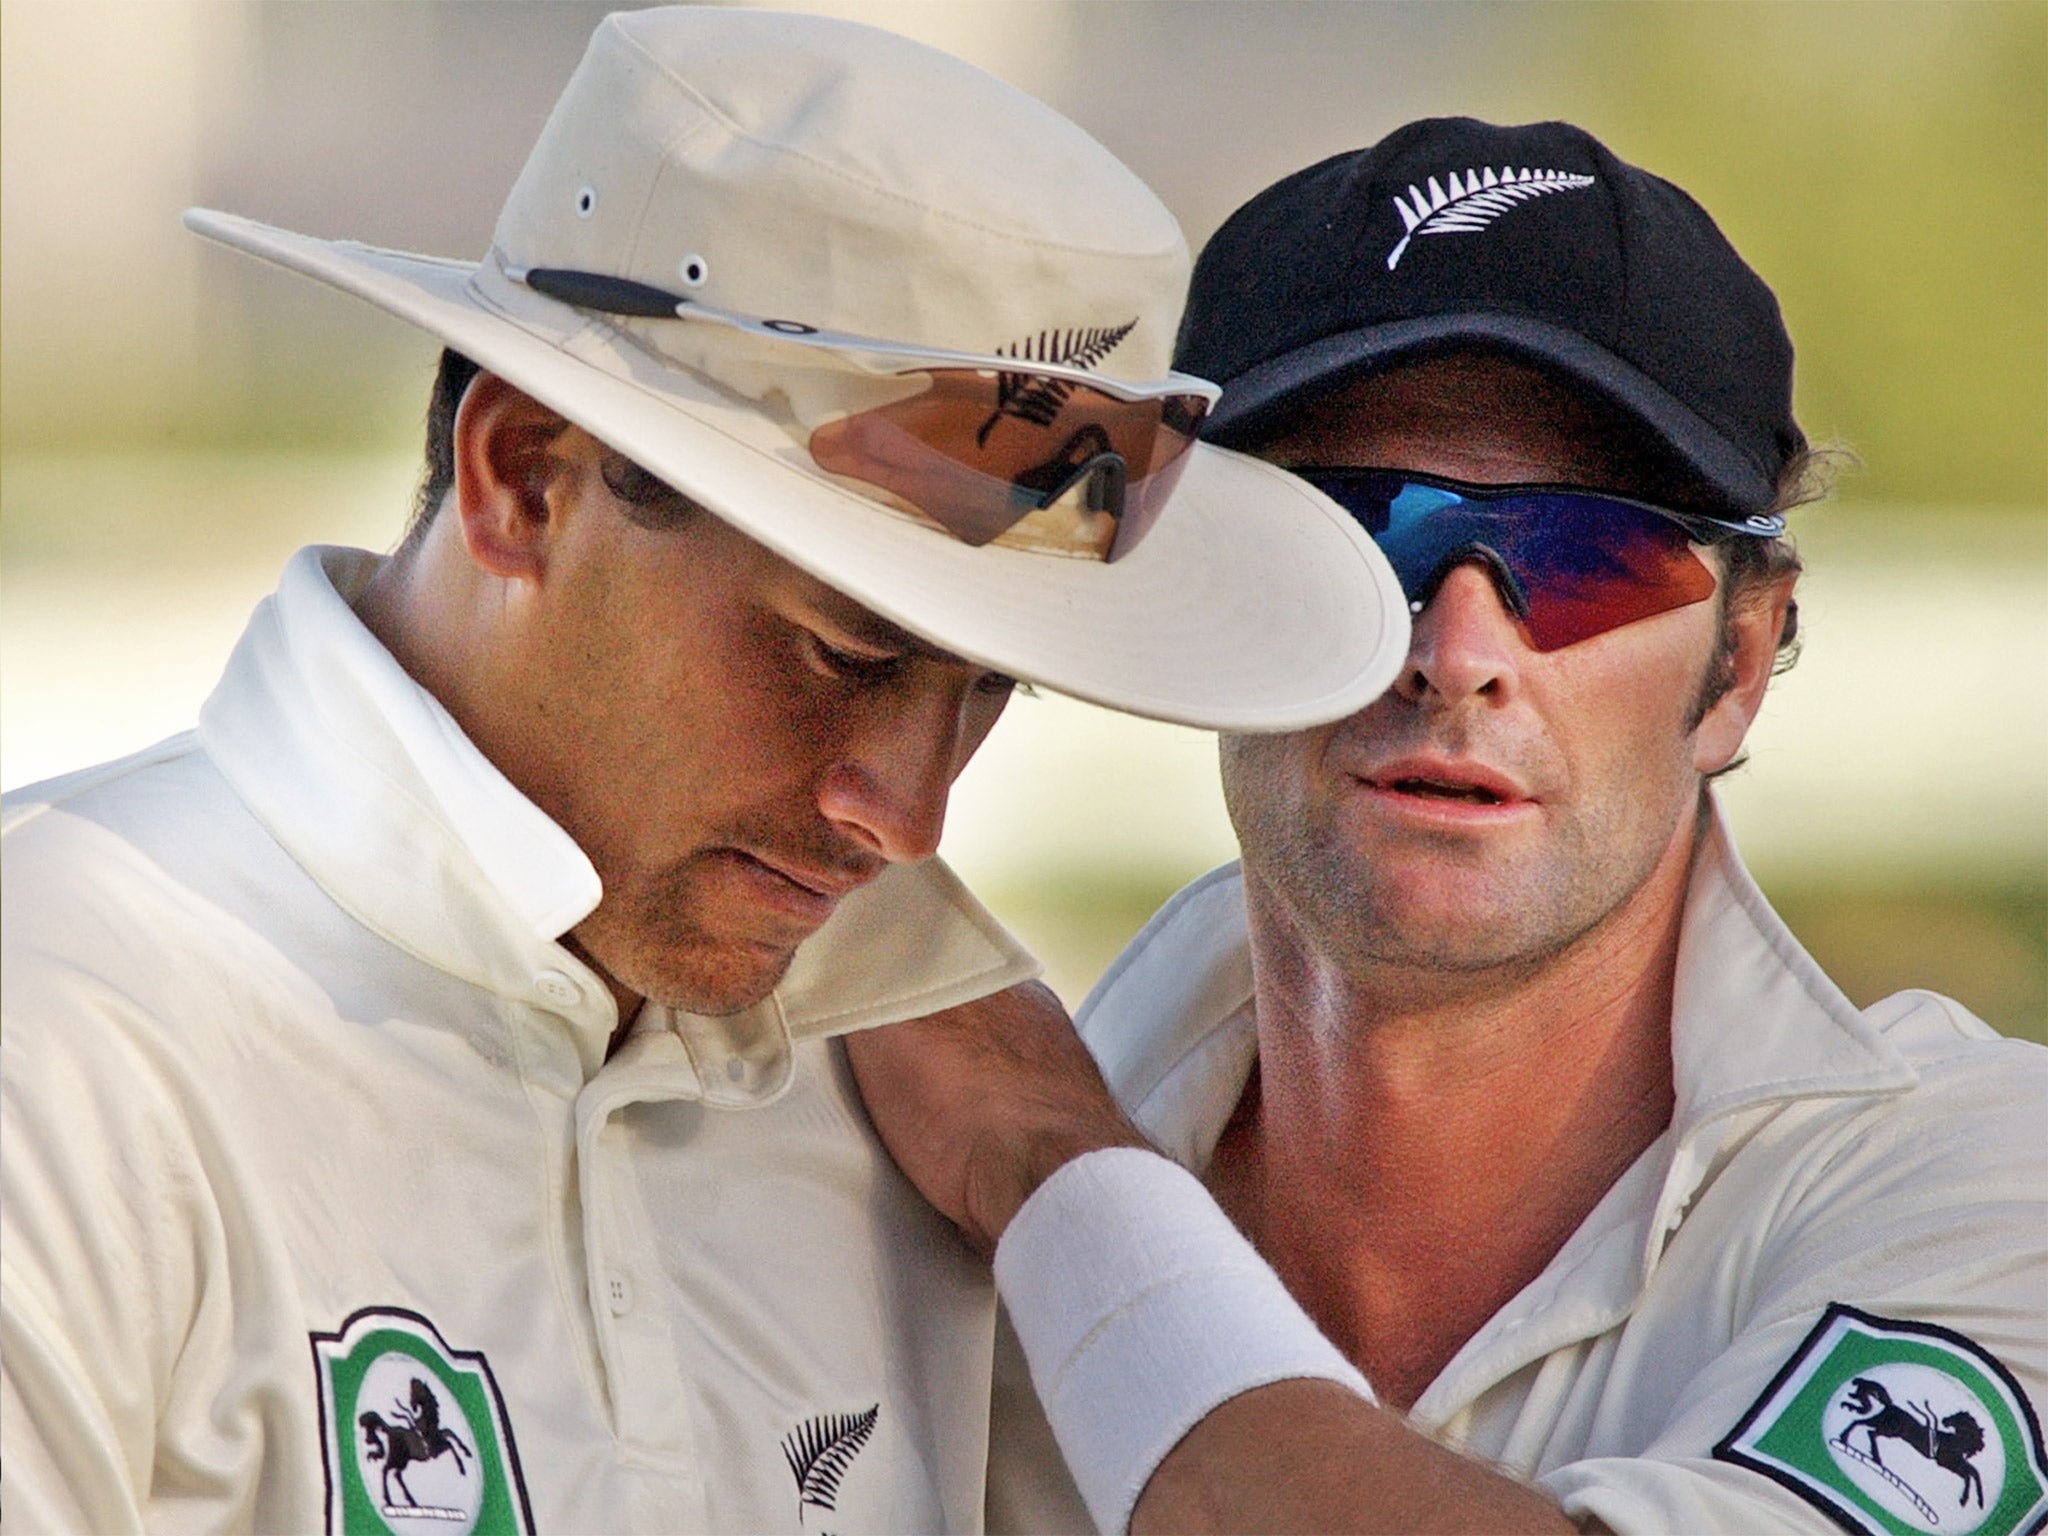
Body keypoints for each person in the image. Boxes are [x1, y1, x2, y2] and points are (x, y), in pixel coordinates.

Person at [0, 12, 1410, 1533]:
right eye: (843, 656)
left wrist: (1075, 1183)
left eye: (986, 691)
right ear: (524, 475)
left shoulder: (923, 1091)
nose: (912, 818)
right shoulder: (65, 1031)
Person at [850, 118, 2048, 1535]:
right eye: (1359, 536)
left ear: (1737, 662)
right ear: (1200, 599)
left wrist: (1062, 1191)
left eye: (1588, 555)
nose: (1461, 646)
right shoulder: (879, 1186)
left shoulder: (1986, 1184)